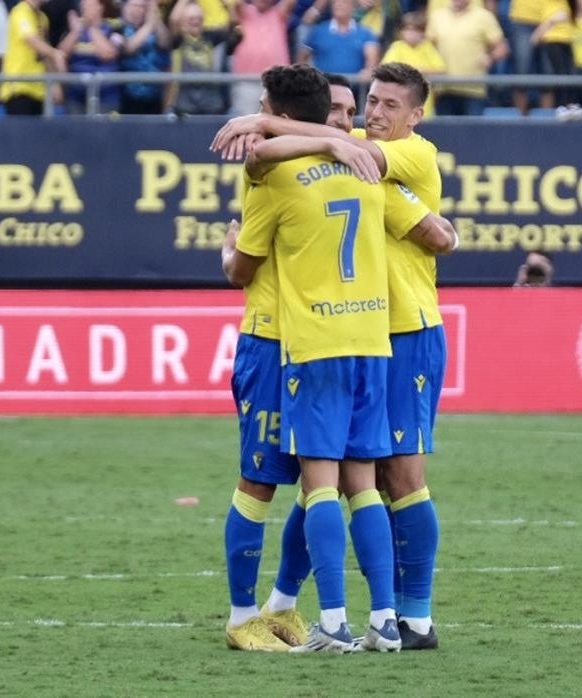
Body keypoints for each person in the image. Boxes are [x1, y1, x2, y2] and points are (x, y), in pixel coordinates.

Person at [210, 62, 456, 651]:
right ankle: (331, 613)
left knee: (382, 479)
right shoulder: (363, 164)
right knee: (349, 482)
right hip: (365, 337)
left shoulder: (396, 156)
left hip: (358, 336)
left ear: (416, 115)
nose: (367, 118)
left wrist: (262, 125)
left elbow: (241, 265)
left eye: (383, 106)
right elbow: (438, 232)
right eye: (359, 106)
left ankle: (375, 618)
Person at [213, 70, 385, 655]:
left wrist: (229, 251)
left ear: (275, 113)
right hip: (285, 342)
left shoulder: (279, 173)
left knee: (296, 486)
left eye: (262, 109)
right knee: (282, 482)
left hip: (291, 341)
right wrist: (333, 141)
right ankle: (244, 616)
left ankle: (278, 605)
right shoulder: (360, 161)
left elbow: (241, 270)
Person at [425, 0, 507, 116]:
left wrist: (490, 57)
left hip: (473, 88)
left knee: (473, 133)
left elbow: (502, 48)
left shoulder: (484, 16)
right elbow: (426, 48)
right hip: (443, 88)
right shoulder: (436, 16)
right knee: (444, 133)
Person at [0, 0, 65, 116]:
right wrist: (55, 53)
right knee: (22, 133)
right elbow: (31, 39)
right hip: (19, 88)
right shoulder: (20, 11)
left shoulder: (43, 18)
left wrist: (55, 83)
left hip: (39, 90)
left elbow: (43, 51)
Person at [58, 0, 124, 114]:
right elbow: (61, 54)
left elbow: (108, 54)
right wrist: (75, 32)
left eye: (90, 5)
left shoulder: (113, 28)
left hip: (106, 93)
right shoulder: (75, 28)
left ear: (100, 7)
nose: (86, 9)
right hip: (76, 93)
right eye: (84, 6)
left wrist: (93, 28)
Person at [229, 0, 294, 116]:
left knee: (278, 124)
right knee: (246, 124)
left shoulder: (279, 13)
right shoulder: (244, 12)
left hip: (277, 82)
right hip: (247, 81)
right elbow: (236, 3)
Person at [379, 12, 443, 118]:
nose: (411, 33)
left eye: (416, 30)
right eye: (408, 29)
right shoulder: (397, 47)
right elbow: (386, 68)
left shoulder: (427, 47)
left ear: (422, 32)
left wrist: (422, 71)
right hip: (399, 105)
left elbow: (441, 70)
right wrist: (413, 72)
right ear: (401, 32)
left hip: (424, 107)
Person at [296, 0, 378, 82]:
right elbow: (302, 58)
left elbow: (371, 62)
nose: (339, 5)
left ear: (353, 7)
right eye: (336, 2)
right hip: (323, 87)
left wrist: (368, 72)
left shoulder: (365, 33)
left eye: (344, 2)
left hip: (353, 89)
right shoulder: (318, 31)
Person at [116, 0, 171, 115]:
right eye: (135, 6)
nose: (139, 10)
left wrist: (155, 16)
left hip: (155, 96)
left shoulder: (154, 28)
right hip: (128, 96)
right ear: (125, 8)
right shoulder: (119, 27)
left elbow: (165, 42)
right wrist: (149, 25)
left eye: (143, 7)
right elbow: (129, 48)